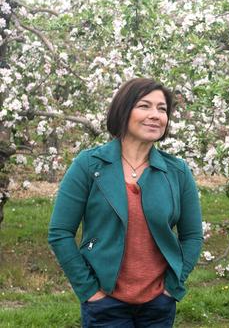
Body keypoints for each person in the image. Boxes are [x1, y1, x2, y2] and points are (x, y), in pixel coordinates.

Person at [48, 78, 203, 327]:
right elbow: (60, 233)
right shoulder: (89, 165)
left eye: (162, 109)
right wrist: (89, 292)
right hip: (105, 304)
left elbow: (193, 236)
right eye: (144, 106)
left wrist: (172, 288)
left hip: (158, 305)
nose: (155, 115)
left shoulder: (177, 171)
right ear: (123, 110)